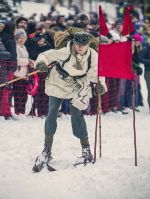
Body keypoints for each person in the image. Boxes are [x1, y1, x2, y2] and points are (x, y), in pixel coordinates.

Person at [33, 31, 107, 170]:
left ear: (88, 44)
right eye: (77, 44)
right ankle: (47, 150)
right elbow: (46, 55)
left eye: (83, 45)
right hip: (58, 82)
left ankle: (86, 150)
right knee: (52, 112)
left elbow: (98, 72)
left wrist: (100, 84)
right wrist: (41, 63)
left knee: (77, 113)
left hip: (77, 84)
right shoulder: (64, 50)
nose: (79, 47)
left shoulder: (93, 56)